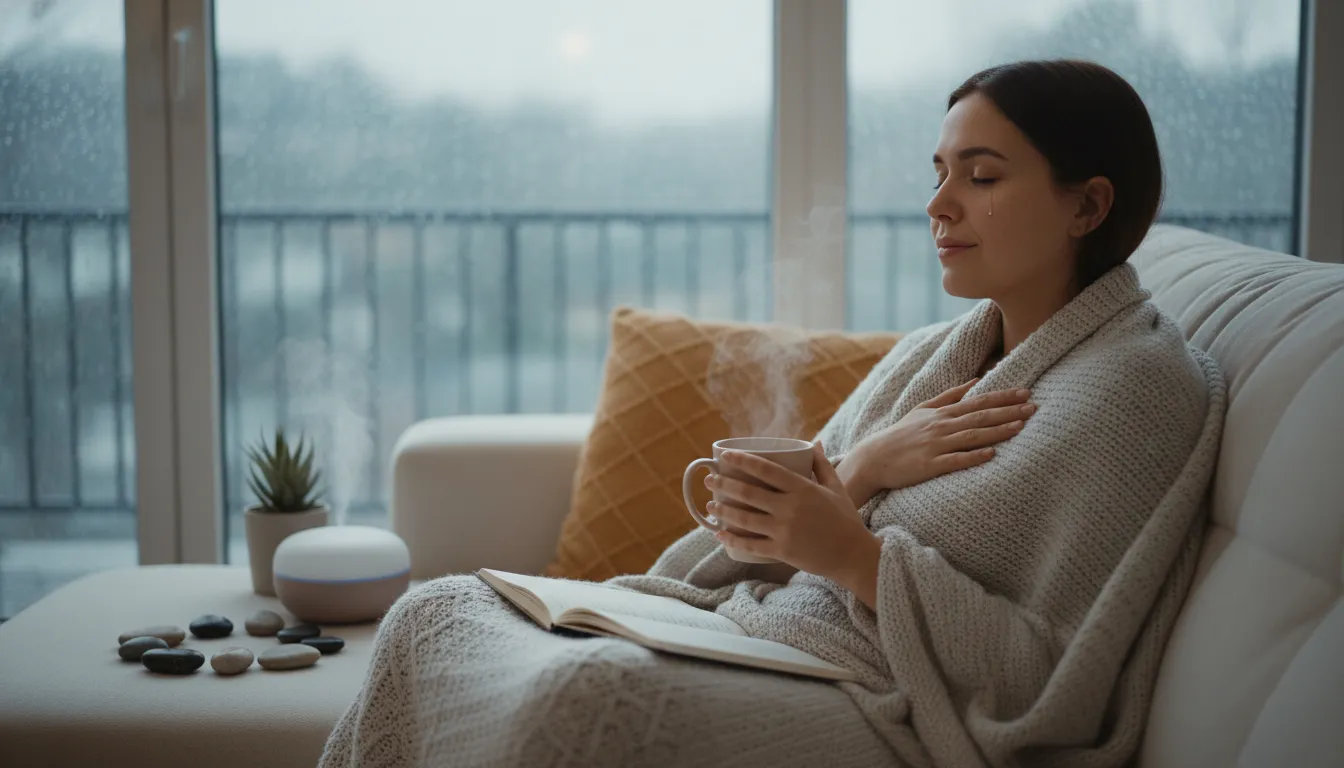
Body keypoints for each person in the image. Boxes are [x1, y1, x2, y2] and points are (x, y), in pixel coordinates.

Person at [320, 60, 1226, 768]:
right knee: (436, 610)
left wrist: (856, 557)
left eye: (981, 176)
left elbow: (1053, 681)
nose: (938, 204)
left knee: (592, 701)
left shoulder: (1137, 389)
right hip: (770, 637)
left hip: (890, 711)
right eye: (940, 170)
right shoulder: (932, 352)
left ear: (1090, 204)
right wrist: (862, 472)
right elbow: (766, 539)